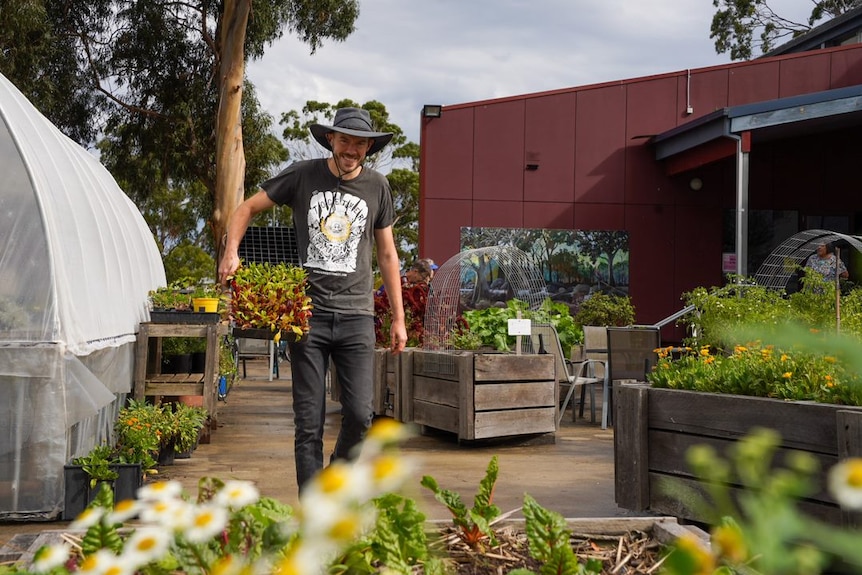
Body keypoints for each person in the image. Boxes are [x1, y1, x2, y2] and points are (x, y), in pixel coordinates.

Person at [217, 107, 407, 492]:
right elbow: (246, 208)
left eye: (359, 142)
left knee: (360, 415)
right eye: (345, 140)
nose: (351, 148)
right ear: (331, 140)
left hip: (357, 317)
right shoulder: (304, 175)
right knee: (309, 421)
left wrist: (399, 319)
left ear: (368, 146)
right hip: (308, 317)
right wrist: (230, 251)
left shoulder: (377, 186)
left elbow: (387, 255)